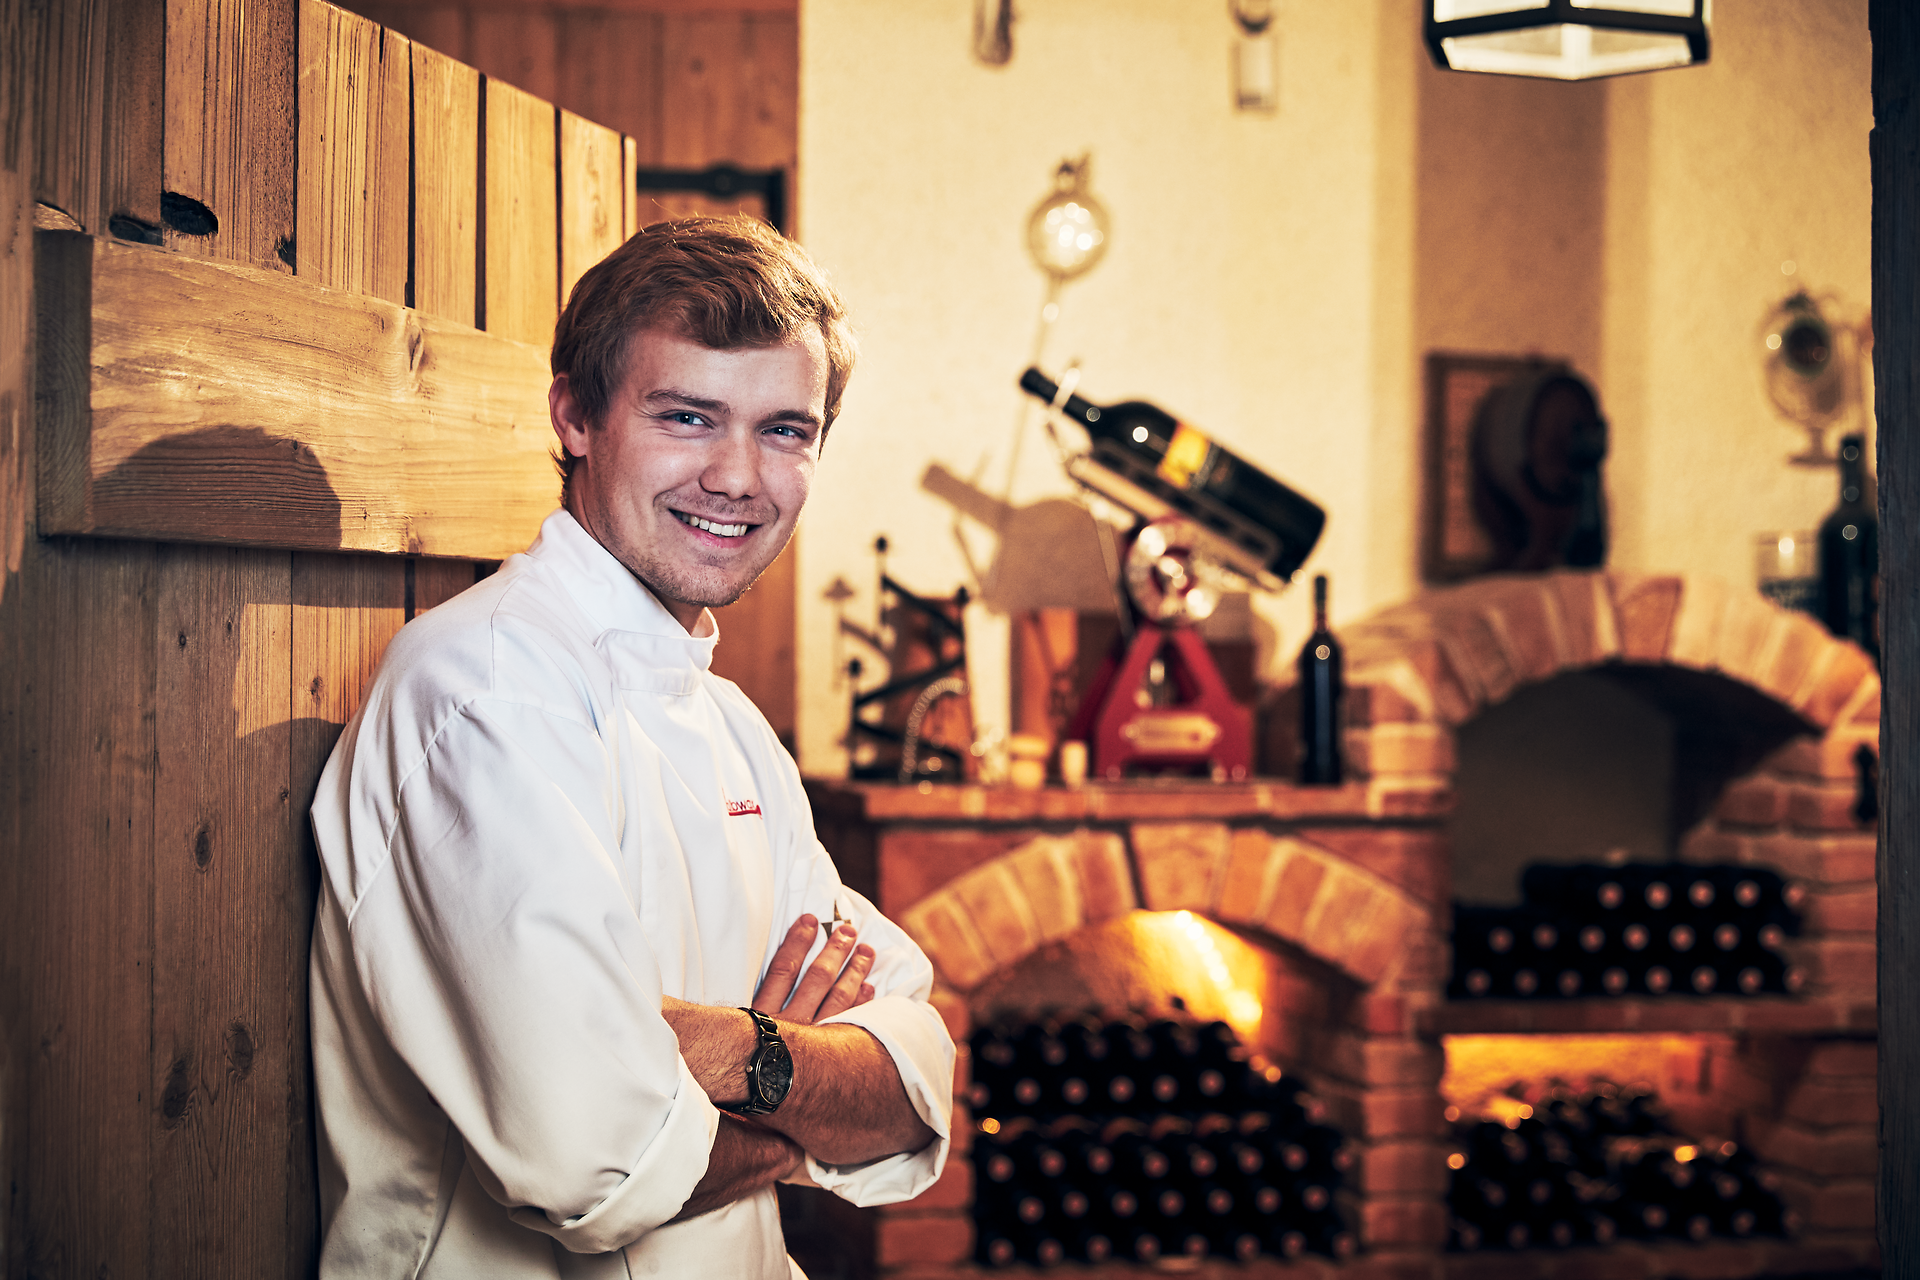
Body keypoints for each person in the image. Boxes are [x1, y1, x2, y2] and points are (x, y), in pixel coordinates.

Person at [308, 216, 952, 1278]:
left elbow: (916, 1081)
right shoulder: (483, 688)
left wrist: (738, 1048)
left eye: (786, 429)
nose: (740, 476)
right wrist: (803, 1104)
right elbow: (597, 1162)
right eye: (688, 415)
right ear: (575, 415)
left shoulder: (736, 729)